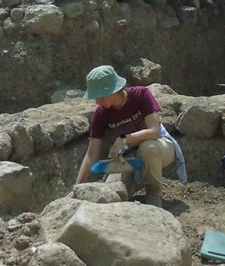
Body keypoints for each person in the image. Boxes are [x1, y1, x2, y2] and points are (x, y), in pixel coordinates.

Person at [74, 65, 186, 208]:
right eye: (95, 98)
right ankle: (136, 184)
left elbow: (154, 131)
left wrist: (123, 139)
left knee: (148, 148)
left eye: (101, 97)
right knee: (112, 191)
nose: (97, 102)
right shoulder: (101, 113)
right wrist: (76, 188)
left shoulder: (141, 95)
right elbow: (91, 155)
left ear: (114, 90)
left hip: (160, 147)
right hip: (130, 157)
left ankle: (153, 194)